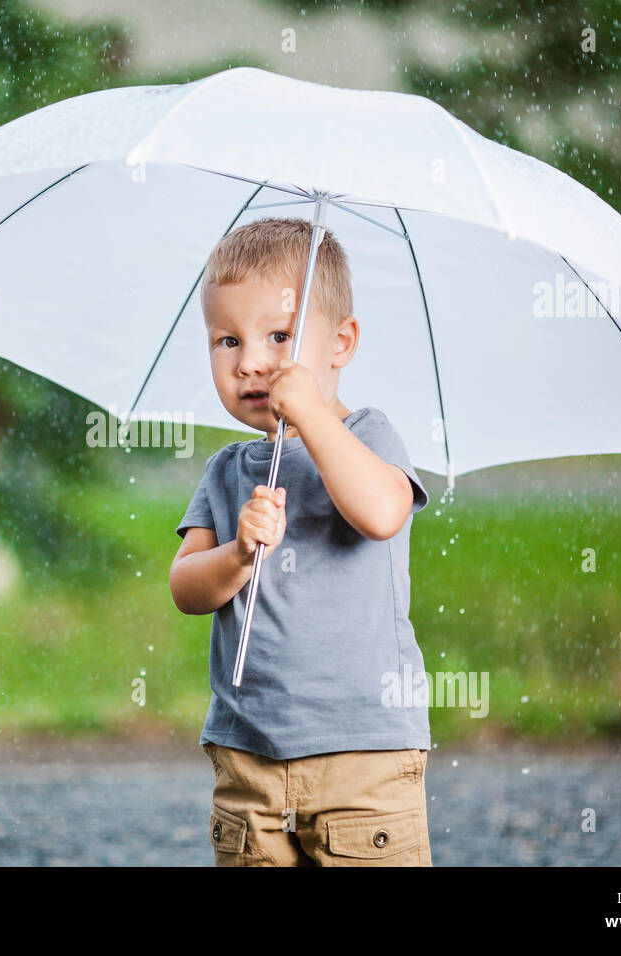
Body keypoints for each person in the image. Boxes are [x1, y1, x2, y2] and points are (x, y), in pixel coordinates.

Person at [169, 217, 433, 866]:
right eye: (227, 340)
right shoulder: (228, 471)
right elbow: (184, 587)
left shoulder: (369, 436)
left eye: (279, 336)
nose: (251, 360)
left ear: (340, 343)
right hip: (249, 758)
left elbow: (381, 512)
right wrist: (235, 555)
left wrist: (311, 415)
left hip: (363, 759)